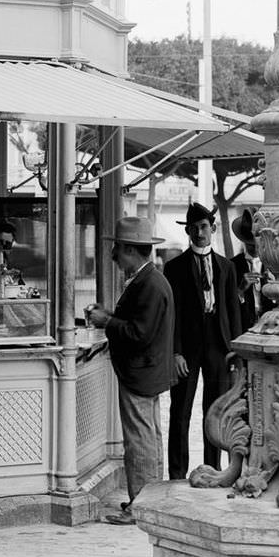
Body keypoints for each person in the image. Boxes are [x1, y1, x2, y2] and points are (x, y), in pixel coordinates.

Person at [86, 217, 174, 525]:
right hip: (147, 371)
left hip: (140, 372)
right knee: (149, 437)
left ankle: (141, 504)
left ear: (131, 250)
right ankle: (152, 500)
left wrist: (106, 321)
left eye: (117, 249)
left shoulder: (147, 284)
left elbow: (139, 334)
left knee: (139, 441)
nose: (113, 255)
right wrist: (109, 316)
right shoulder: (150, 279)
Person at [163, 201, 241, 480]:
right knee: (180, 411)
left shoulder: (226, 267)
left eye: (203, 227)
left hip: (219, 348)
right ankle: (176, 475)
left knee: (216, 411)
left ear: (213, 228)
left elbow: (233, 312)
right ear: (188, 232)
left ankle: (212, 470)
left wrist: (235, 352)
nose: (199, 233)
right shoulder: (174, 268)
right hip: (187, 349)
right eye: (193, 228)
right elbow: (171, 316)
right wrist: (175, 353)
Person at [231, 208, 273, 331]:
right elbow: (227, 304)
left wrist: (274, 287)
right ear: (243, 241)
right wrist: (240, 290)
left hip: (268, 325)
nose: (254, 248)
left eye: (257, 244)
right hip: (243, 325)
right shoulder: (231, 265)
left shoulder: (272, 265)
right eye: (250, 244)